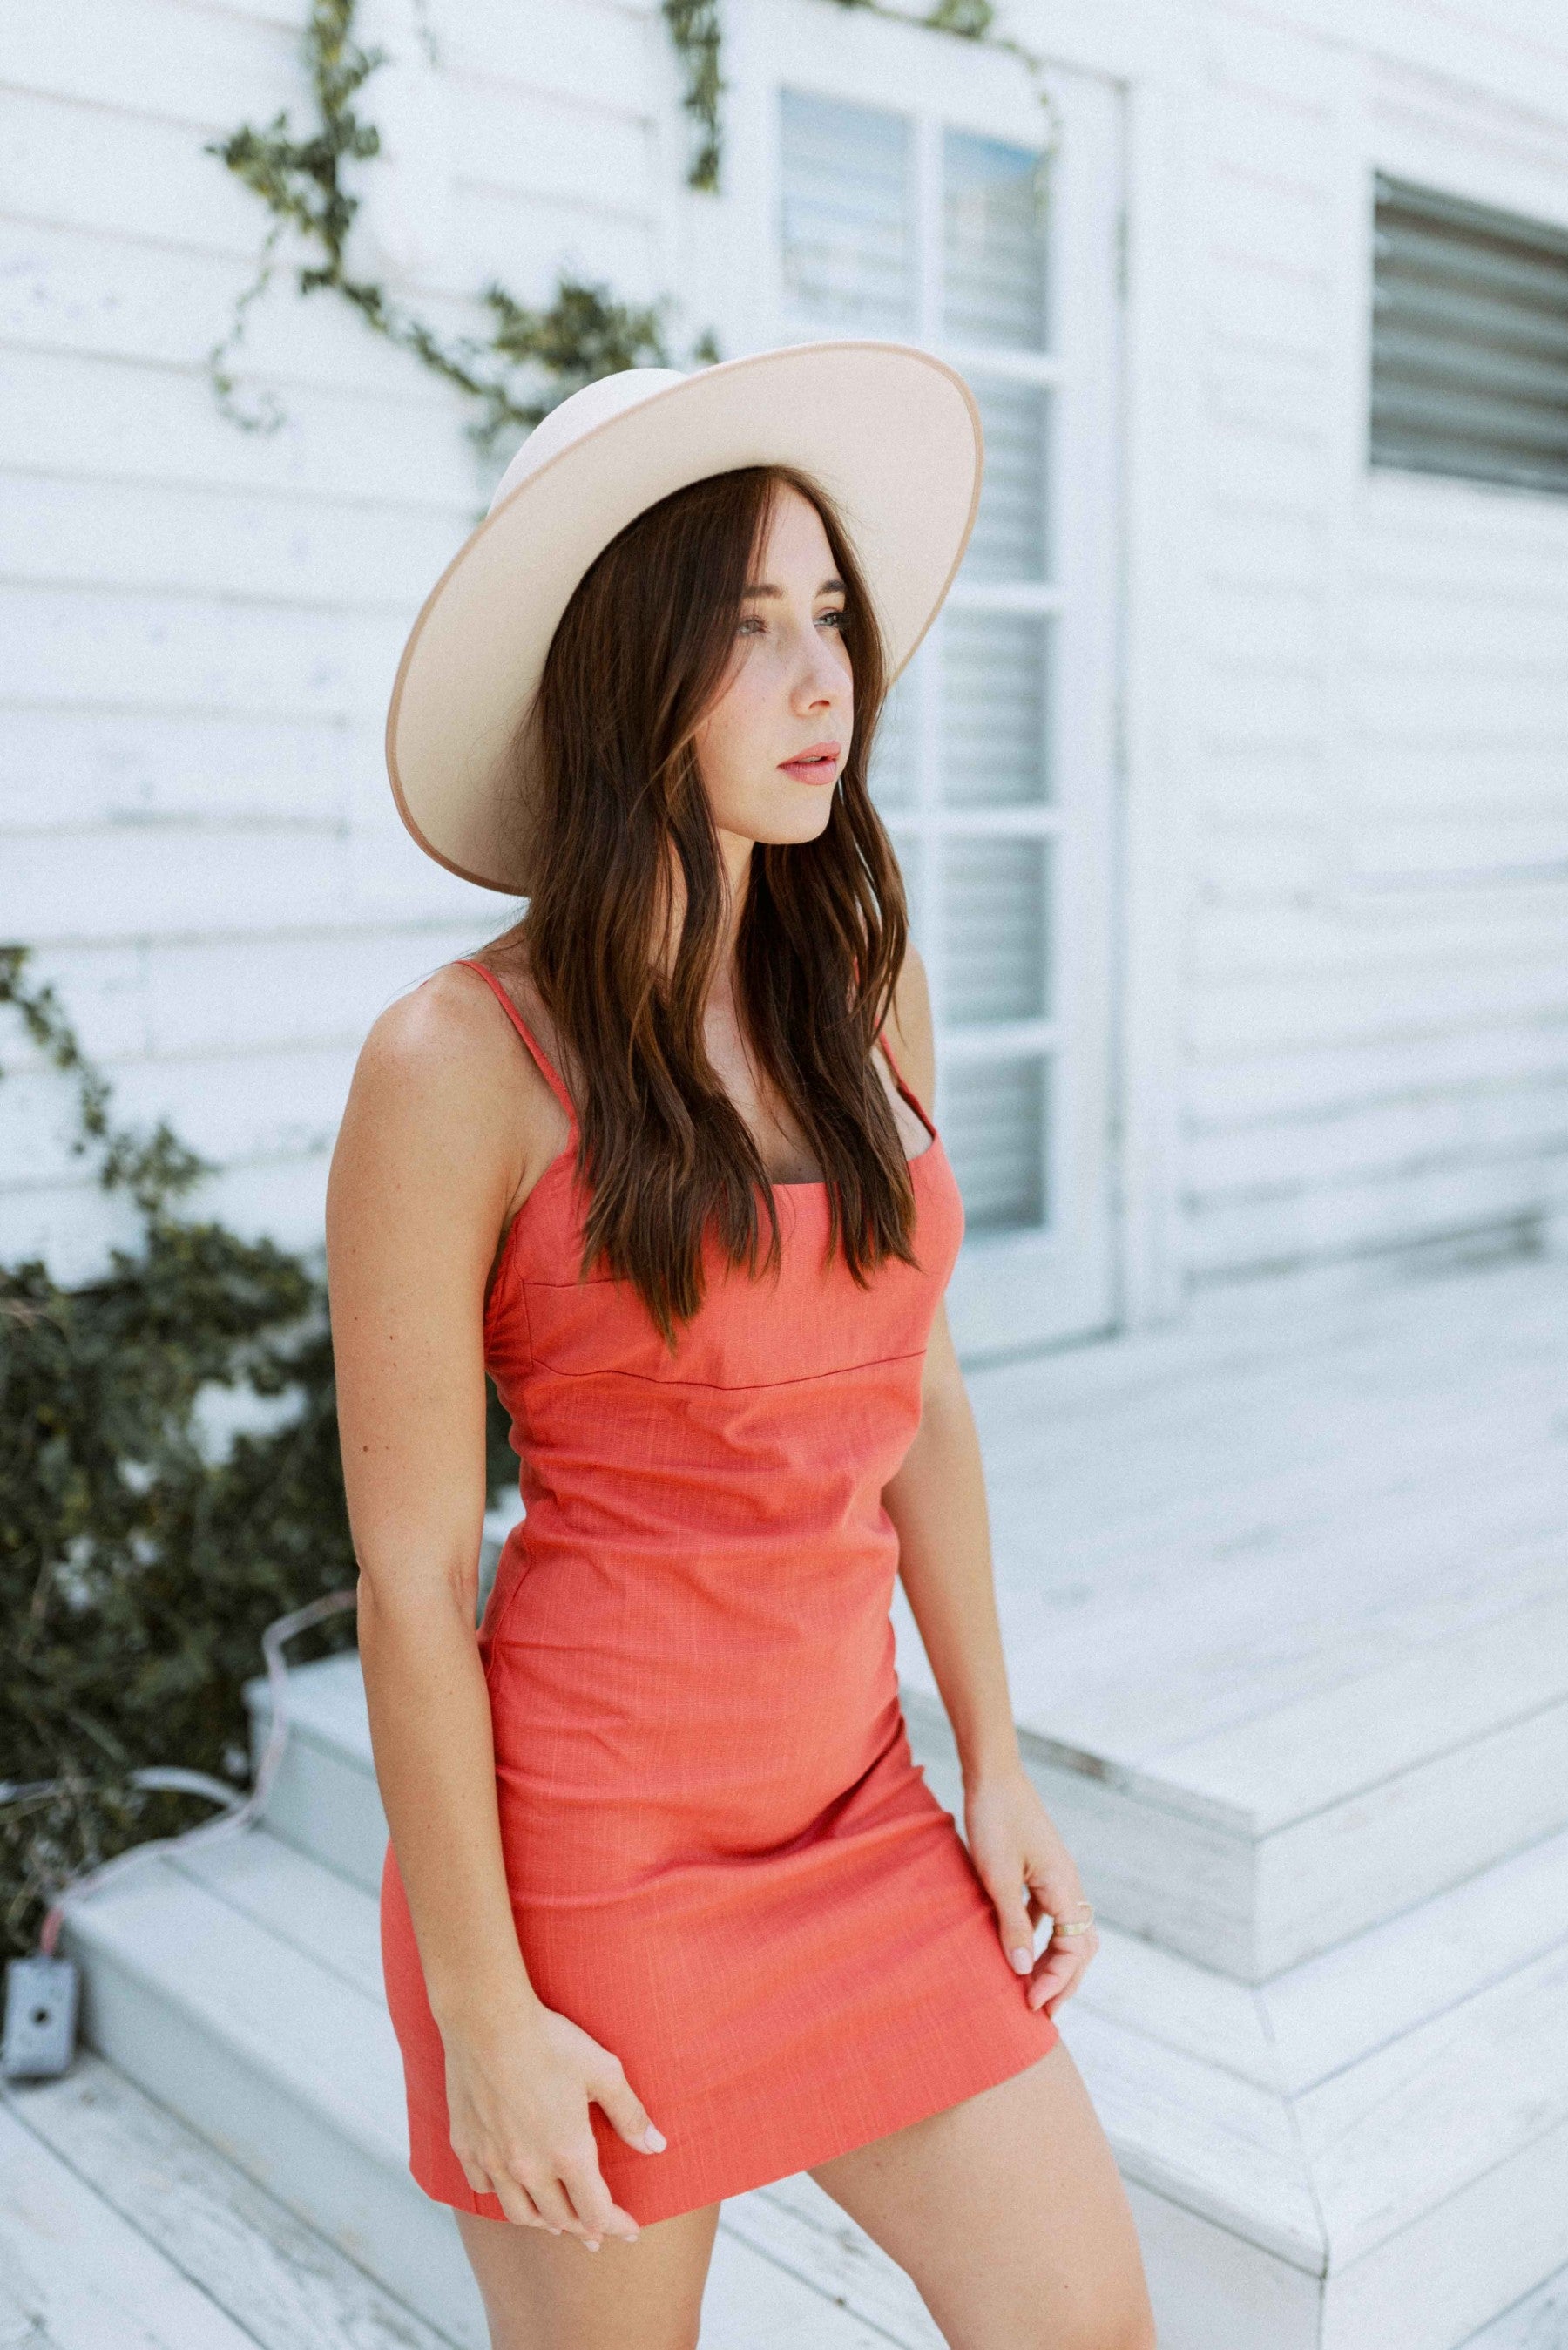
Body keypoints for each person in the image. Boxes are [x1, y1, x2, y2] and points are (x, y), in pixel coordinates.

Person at [327, 344, 1155, 2350]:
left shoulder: (864, 986)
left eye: (835, 622)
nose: (825, 684)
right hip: (592, 1865)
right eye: (752, 630)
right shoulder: (457, 1063)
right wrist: (487, 2005)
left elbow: (920, 1394)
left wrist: (994, 1757)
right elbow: (415, 1584)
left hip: (857, 1804)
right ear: (628, 675)